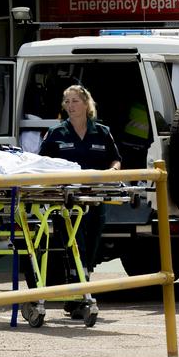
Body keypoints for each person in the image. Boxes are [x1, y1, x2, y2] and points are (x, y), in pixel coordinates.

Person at [39, 85, 122, 280]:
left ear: (86, 104)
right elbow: (41, 162)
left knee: (92, 242)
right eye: (67, 101)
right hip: (67, 198)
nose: (70, 105)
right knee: (75, 243)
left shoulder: (102, 132)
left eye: (75, 101)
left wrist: (113, 171)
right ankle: (78, 288)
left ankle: (84, 283)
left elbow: (115, 159)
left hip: (95, 196)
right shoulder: (56, 132)